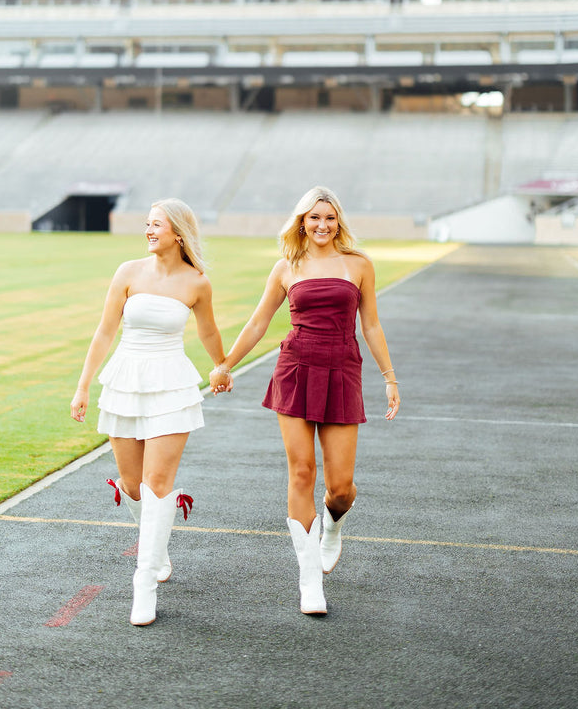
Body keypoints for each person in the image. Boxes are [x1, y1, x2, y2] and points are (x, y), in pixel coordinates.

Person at [209, 185, 400, 616]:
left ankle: (333, 524)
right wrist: (225, 364)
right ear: (301, 222)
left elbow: (370, 325)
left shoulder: (359, 265)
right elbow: (259, 322)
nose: (322, 225)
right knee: (301, 472)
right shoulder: (286, 267)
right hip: (295, 368)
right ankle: (309, 581)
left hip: (342, 369)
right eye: (314, 217)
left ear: (339, 222)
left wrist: (390, 377)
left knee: (341, 488)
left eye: (329, 218)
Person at [70, 198, 227, 626]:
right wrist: (84, 385)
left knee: (158, 485)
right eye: (147, 224)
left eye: (156, 224)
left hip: (172, 385)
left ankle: (145, 580)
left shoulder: (198, 282)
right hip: (125, 381)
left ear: (178, 232)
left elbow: (208, 330)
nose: (148, 230)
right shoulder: (127, 272)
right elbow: (105, 331)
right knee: (133, 484)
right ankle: (157, 549)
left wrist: (222, 365)